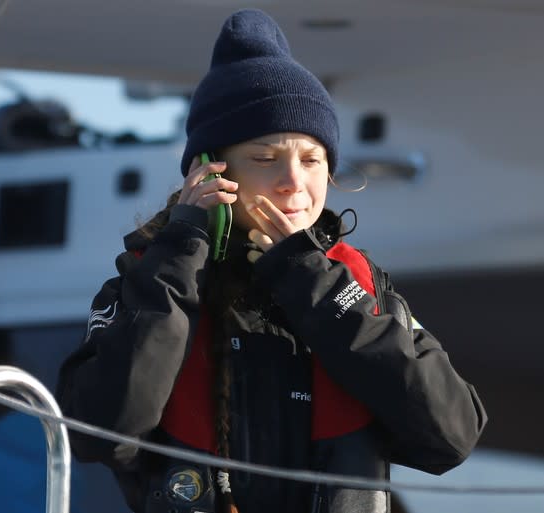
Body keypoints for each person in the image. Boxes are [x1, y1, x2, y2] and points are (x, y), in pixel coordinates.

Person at [56, 8, 487, 513]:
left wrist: (317, 284)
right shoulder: (148, 278)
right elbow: (100, 434)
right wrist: (178, 256)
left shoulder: (358, 286)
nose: (293, 182)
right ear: (208, 171)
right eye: (264, 159)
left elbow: (451, 436)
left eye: (311, 160)